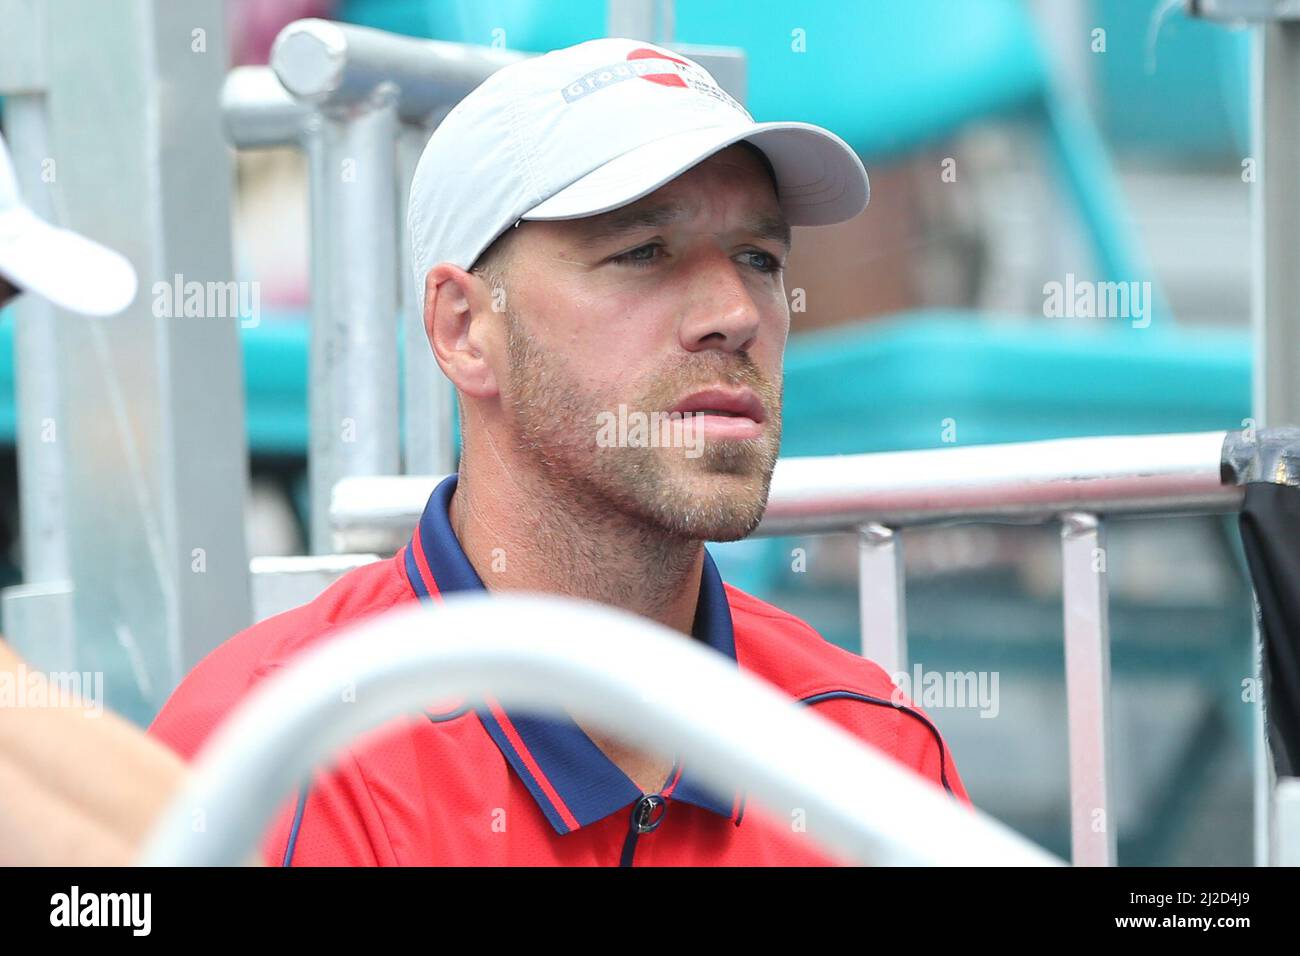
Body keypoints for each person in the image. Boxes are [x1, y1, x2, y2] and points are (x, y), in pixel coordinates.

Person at [148, 38, 972, 866]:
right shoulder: (271, 754)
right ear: (464, 328)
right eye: (643, 252)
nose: (737, 311)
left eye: (759, 258)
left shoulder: (867, 744)